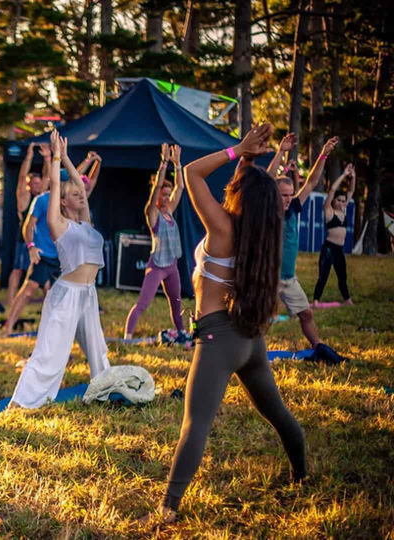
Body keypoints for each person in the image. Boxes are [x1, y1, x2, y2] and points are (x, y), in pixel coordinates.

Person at [145, 123, 306, 523]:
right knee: (278, 414)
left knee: (195, 425)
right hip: (249, 340)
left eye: (237, 184)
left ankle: (167, 509)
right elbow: (252, 189)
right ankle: (302, 476)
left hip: (218, 339)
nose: (231, 185)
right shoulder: (260, 233)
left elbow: (191, 173)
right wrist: (249, 157)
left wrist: (236, 150)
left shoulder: (222, 228)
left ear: (240, 197)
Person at [9, 131, 111, 408]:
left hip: (88, 294)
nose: (81, 195)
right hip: (67, 294)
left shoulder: (85, 223)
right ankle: (22, 402)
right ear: (63, 202)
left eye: (82, 193)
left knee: (97, 350)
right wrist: (55, 159)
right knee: (50, 352)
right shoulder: (59, 224)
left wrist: (67, 158)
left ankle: (102, 391)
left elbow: (78, 183)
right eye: (75, 194)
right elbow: (57, 185)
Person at [266, 133, 347, 364]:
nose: (288, 199)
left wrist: (323, 154)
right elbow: (267, 179)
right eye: (283, 195)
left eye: (290, 195)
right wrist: (280, 152)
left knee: (307, 313)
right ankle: (250, 354)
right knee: (260, 321)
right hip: (267, 278)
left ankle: (318, 348)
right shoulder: (267, 209)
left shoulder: (293, 207)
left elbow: (311, 182)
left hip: (289, 278)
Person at [2, 145, 100, 335]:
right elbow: (28, 226)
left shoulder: (71, 202)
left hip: (64, 258)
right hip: (44, 255)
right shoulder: (42, 200)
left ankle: (62, 332)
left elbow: (84, 179)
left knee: (61, 295)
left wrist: (91, 161)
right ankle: (9, 327)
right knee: (29, 289)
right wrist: (31, 247)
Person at [124, 143, 186, 338]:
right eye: (163, 195)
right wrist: (164, 162)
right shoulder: (153, 213)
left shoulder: (170, 211)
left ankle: (182, 334)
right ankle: (127, 337)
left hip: (172, 266)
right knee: (143, 303)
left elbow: (180, 187)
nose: (167, 198)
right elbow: (158, 186)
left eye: (168, 195)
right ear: (157, 195)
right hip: (157, 265)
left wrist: (177, 164)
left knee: (176, 303)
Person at [7, 144, 47, 310]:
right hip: (24, 239)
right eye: (33, 183)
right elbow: (22, 177)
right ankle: (11, 302)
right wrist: (29, 155)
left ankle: (46, 303)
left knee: (44, 274)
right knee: (18, 270)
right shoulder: (24, 197)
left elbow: (48, 176)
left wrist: (47, 157)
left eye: (39, 183)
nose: (37, 185)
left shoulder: (43, 197)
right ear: (29, 185)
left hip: (41, 241)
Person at [313, 164, 356, 306]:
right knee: (323, 276)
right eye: (339, 200)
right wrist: (343, 174)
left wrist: (353, 176)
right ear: (333, 201)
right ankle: (316, 301)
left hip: (339, 250)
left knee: (342, 276)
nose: (342, 203)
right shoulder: (329, 211)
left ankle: (347, 300)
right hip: (329, 248)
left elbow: (351, 190)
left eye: (343, 201)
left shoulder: (343, 210)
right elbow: (332, 189)